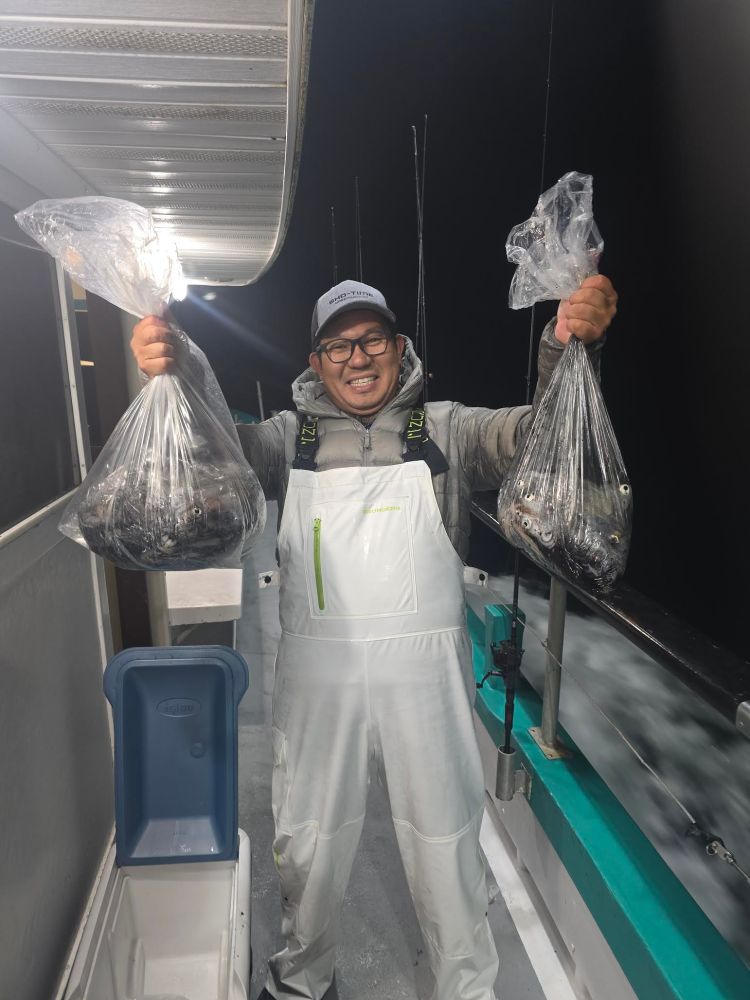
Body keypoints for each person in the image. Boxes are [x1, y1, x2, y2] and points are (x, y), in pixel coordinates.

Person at [131, 275, 617, 1000]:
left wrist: (567, 346)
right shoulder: (283, 441)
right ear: (316, 360)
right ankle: (302, 979)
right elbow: (211, 457)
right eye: (339, 345)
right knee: (308, 841)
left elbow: (542, 435)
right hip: (316, 679)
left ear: (399, 347)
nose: (358, 359)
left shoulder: (444, 431)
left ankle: (468, 989)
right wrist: (175, 374)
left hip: (427, 681)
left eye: (372, 341)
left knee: (445, 841)